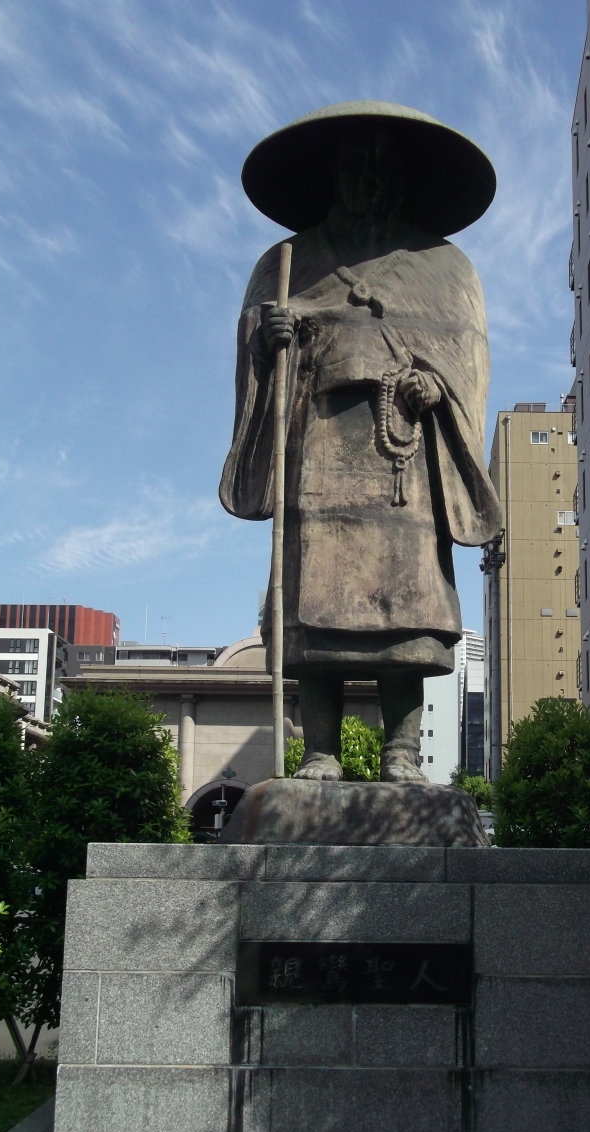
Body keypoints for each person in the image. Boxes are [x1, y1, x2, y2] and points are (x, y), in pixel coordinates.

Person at [220, 102, 501, 782]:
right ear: (332, 173)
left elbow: (466, 358)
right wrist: (270, 342)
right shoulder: (287, 262)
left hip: (406, 454)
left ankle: (402, 752)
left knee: (407, 610)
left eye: (382, 166)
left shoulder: (445, 267)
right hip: (317, 449)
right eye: (354, 164)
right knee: (314, 611)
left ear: (404, 177)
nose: (368, 178)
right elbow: (256, 348)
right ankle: (321, 750)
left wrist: (437, 387)